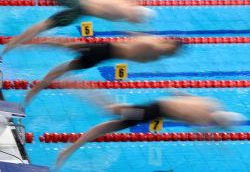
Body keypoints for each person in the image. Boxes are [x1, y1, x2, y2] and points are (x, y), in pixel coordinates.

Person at [55, 93, 246, 169]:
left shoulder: (211, 104)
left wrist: (177, 93)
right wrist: (219, 146)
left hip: (154, 107)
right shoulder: (202, 119)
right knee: (108, 118)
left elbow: (186, 95)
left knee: (110, 116)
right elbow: (202, 132)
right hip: (149, 113)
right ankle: (81, 90)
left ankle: (81, 91)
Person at [23, 36, 181, 105]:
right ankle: (30, 95)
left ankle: (26, 45)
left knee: (60, 59)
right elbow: (138, 53)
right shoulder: (155, 52)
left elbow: (138, 46)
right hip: (103, 53)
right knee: (59, 63)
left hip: (103, 51)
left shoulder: (154, 46)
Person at [2, 0, 156, 55]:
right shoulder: (121, 15)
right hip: (78, 10)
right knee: (41, 27)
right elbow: (128, 28)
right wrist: (140, 34)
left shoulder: (125, 1)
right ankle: (8, 49)